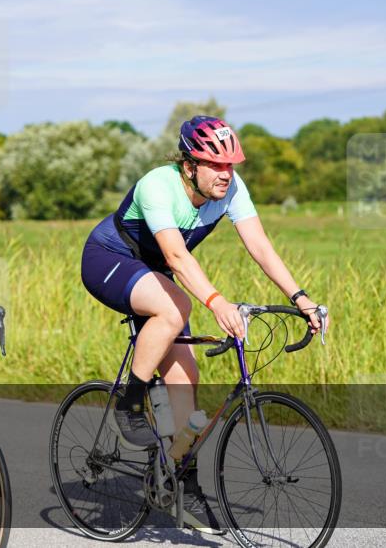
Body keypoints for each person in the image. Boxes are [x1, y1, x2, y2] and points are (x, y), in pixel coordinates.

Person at [80, 116, 329, 534]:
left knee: (186, 385)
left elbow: (260, 246)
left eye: (231, 165)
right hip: (111, 260)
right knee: (176, 307)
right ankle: (129, 402)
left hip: (155, 272)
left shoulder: (230, 189)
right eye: (215, 165)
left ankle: (180, 481)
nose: (225, 174)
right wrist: (215, 302)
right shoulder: (158, 185)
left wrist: (299, 297)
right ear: (188, 165)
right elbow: (177, 257)